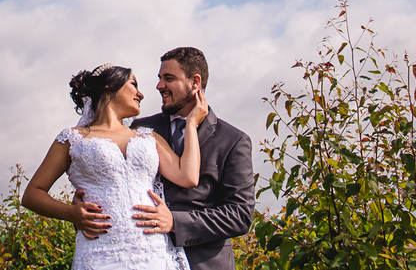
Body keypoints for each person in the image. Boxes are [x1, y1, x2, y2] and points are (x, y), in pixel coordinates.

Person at [22, 64, 208, 270]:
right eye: (133, 84)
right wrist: (71, 213)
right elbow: (32, 194)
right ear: (109, 86)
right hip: (100, 252)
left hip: (154, 251)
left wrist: (191, 124)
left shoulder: (148, 136)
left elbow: (188, 176)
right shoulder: (73, 138)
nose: (141, 94)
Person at [130, 48, 255, 270]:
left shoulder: (234, 141)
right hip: (144, 258)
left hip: (203, 264)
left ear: (195, 82)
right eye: (159, 78)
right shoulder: (141, 128)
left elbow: (240, 215)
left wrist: (175, 223)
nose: (159, 86)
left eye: (169, 79)